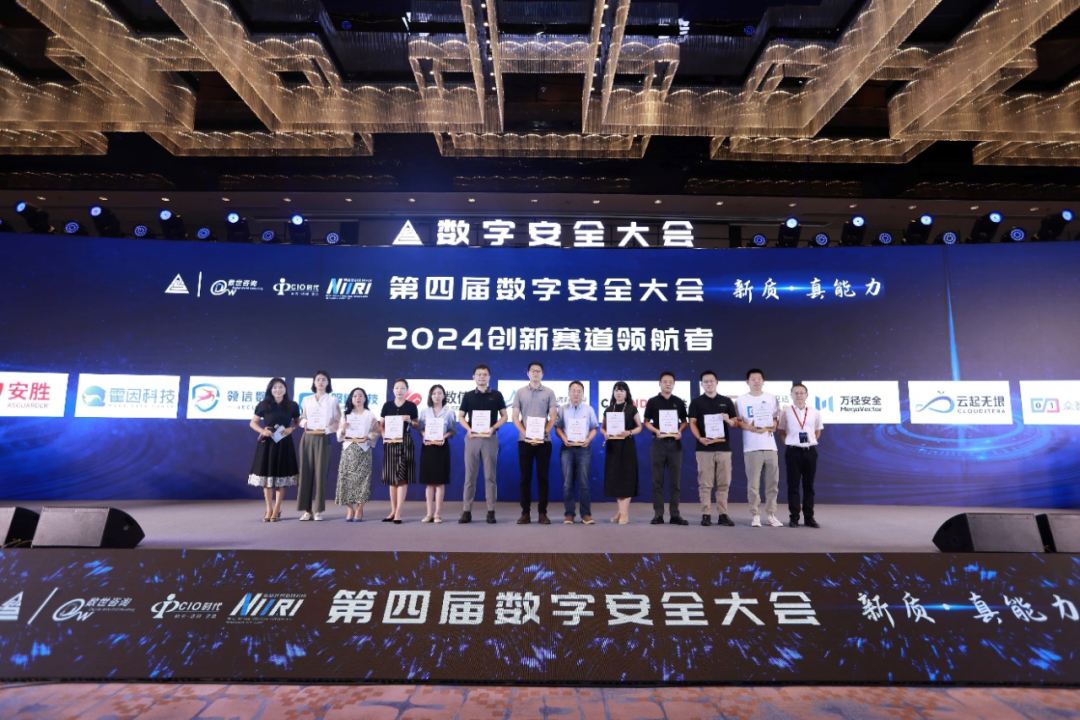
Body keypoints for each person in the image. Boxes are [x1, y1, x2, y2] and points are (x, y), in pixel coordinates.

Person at [688, 370, 740, 527]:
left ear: (717, 382)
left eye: (711, 381)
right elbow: (692, 423)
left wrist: (728, 420)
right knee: (705, 483)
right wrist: (699, 438)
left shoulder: (726, 401)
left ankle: (723, 514)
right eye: (706, 381)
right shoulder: (696, 402)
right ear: (702, 384)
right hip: (704, 448)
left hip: (723, 448)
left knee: (724, 483)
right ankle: (706, 514)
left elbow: (735, 423)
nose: (709, 384)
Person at [458, 364, 508, 523]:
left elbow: (504, 416)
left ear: (489, 377)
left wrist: (493, 428)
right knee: (470, 477)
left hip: (490, 438)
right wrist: (468, 429)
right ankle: (466, 511)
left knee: (490, 476)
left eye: (484, 374)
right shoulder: (468, 396)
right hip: (472, 438)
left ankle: (491, 511)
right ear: (474, 377)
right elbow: (461, 416)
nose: (481, 377)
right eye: (478, 374)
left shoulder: (496, 395)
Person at [511, 361, 558, 524]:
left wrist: (543, 433)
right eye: (532, 371)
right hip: (525, 441)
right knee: (525, 477)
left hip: (544, 441)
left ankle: (542, 513)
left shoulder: (549, 392)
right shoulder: (520, 393)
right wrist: (528, 434)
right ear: (528, 373)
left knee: (543, 477)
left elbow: (553, 416)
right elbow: (515, 417)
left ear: (542, 374)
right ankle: (525, 513)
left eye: (538, 371)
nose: (535, 373)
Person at [248, 377, 299, 522]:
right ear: (270, 390)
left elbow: (297, 422)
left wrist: (291, 429)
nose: (278, 390)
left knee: (281, 476)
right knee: (268, 476)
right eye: (275, 387)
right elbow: (253, 423)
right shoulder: (264, 405)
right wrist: (263, 431)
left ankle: (277, 509)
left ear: (285, 389)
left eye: (281, 387)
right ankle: (269, 509)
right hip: (268, 443)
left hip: (284, 441)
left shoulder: (292, 405)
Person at [736, 368, 782, 528]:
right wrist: (749, 427)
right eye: (753, 379)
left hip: (770, 447)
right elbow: (738, 421)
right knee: (753, 485)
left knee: (772, 483)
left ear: (763, 381)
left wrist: (773, 425)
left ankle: (771, 515)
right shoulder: (741, 400)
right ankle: (755, 515)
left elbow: (775, 418)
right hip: (751, 447)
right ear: (747, 382)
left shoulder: (771, 398)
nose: (756, 381)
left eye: (759, 379)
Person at [643, 371, 689, 525]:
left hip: (674, 444)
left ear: (674, 384)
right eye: (665, 381)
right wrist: (656, 431)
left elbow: (684, 421)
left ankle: (675, 514)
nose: (668, 384)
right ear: (660, 383)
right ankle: (658, 514)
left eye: (670, 382)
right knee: (657, 480)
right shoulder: (653, 401)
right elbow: (646, 421)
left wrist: (680, 431)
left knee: (675, 481)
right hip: (659, 443)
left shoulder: (679, 402)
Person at [777, 382, 824, 528]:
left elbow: (817, 430)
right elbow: (781, 431)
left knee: (809, 486)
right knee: (793, 485)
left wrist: (810, 441)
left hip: (810, 452)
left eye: (801, 393)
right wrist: (789, 443)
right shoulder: (785, 412)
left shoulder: (814, 411)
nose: (799, 396)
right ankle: (794, 517)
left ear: (806, 395)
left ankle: (809, 517)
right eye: (796, 393)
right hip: (793, 452)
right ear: (791, 395)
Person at [298, 371, 341, 521]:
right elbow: (302, 417)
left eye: (324, 379)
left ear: (328, 382)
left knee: (321, 474)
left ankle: (318, 511)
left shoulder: (333, 400)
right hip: (308, 437)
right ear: (314, 382)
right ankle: (307, 510)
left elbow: (338, 421)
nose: (321, 382)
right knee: (305, 473)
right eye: (318, 379)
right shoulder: (306, 400)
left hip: (323, 438)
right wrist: (304, 422)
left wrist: (327, 429)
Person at [554, 381, 599, 524]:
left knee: (584, 483)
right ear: (569, 393)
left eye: (579, 391)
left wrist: (588, 440)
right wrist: (564, 438)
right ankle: (569, 514)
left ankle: (586, 515)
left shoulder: (589, 409)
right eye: (573, 391)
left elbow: (594, 428)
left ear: (583, 394)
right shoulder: (562, 410)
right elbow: (557, 428)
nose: (576, 394)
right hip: (567, 449)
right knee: (567, 483)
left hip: (584, 449)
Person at [601, 381, 642, 524]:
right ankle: (621, 512)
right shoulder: (609, 409)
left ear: (626, 393)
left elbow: (639, 427)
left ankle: (624, 513)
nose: (619, 393)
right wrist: (605, 433)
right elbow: (602, 427)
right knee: (616, 478)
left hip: (627, 446)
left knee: (627, 478)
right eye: (616, 390)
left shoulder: (632, 408)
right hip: (613, 448)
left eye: (622, 390)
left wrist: (629, 432)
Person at [336, 387, 378, 522]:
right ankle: (350, 509)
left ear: (365, 398)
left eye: (360, 396)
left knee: (363, 481)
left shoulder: (370, 415)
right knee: (346, 479)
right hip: (348, 449)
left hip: (363, 450)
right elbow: (339, 435)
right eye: (354, 396)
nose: (357, 398)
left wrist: (368, 436)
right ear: (351, 399)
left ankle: (360, 509)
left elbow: (376, 432)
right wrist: (343, 429)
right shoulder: (345, 415)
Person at [380, 378, 419, 523]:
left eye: (402, 388)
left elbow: (417, 425)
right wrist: (384, 436)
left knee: (402, 478)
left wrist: (410, 421)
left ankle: (398, 512)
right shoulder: (387, 406)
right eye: (397, 388)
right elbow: (381, 425)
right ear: (393, 390)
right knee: (392, 478)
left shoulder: (411, 406)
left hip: (405, 442)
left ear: (407, 390)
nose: (399, 390)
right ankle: (392, 510)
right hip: (390, 443)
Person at [418, 383, 457, 523]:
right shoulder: (424, 411)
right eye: (434, 393)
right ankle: (429, 513)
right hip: (428, 448)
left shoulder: (449, 412)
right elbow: (420, 428)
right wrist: (424, 435)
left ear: (444, 396)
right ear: (431, 396)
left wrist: (443, 437)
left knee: (440, 483)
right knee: (429, 483)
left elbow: (453, 430)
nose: (437, 396)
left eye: (439, 393)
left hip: (442, 448)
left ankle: (437, 514)